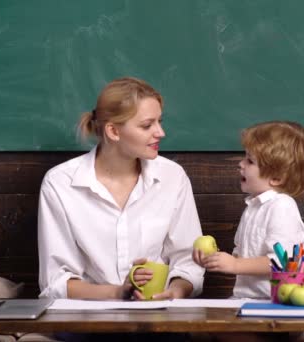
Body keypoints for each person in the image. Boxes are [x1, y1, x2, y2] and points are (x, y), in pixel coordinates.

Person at [38, 77, 204, 304]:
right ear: (113, 132)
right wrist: (118, 292)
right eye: (147, 125)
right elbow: (55, 282)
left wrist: (175, 292)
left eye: (159, 122)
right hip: (87, 319)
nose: (160, 133)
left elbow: (187, 261)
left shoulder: (172, 177)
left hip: (157, 316)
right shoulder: (60, 183)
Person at [193, 121, 304, 299]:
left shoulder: (282, 206)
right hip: (245, 300)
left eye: (250, 161)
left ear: (276, 177)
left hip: (273, 303)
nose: (241, 164)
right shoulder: (253, 207)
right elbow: (242, 258)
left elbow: (282, 262)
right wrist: (215, 260)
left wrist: (235, 266)